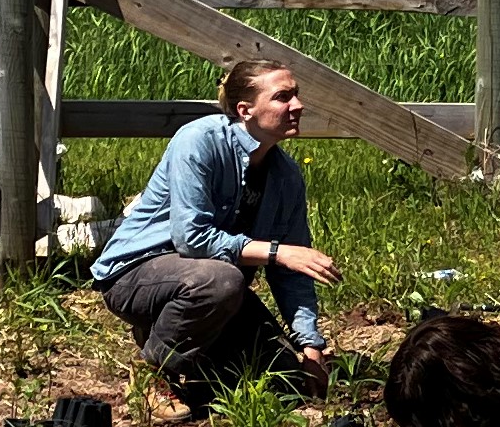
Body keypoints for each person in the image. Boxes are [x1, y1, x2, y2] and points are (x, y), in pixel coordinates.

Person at [92, 60, 341, 402]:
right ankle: (153, 372)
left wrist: (310, 345)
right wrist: (277, 252)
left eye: (296, 95)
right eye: (282, 97)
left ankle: (175, 334)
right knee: (221, 281)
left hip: (210, 284)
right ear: (245, 110)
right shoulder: (199, 141)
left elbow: (292, 273)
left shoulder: (286, 177)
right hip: (136, 274)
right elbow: (191, 239)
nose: (297, 106)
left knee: (284, 378)